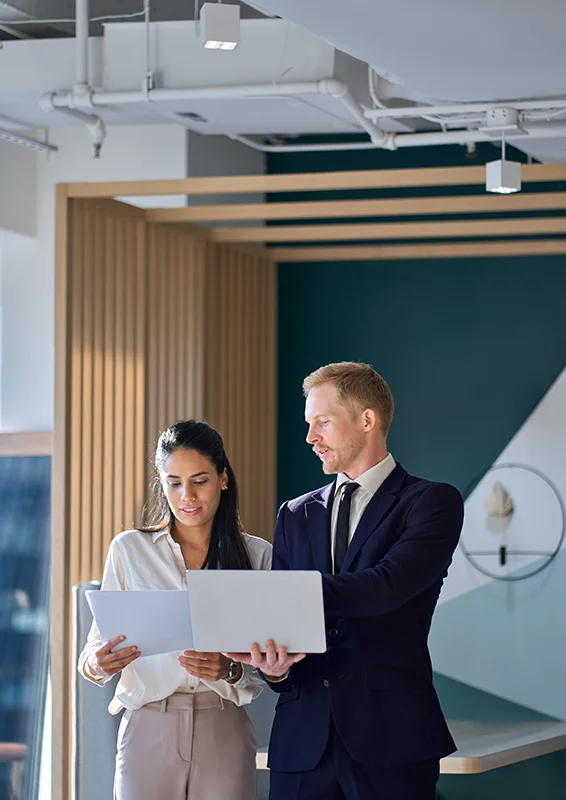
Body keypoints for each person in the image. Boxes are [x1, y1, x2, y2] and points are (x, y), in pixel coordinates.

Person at [230, 362, 464, 800]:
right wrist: (275, 669)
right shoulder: (294, 514)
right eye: (308, 424)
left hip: (391, 742)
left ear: (367, 419)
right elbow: (283, 631)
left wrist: (283, 595)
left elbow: (386, 586)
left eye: (322, 422)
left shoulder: (431, 503)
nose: (310, 437)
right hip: (301, 747)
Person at [78, 420, 272, 800]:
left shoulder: (257, 555)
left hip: (224, 727)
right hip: (148, 725)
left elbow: (267, 664)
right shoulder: (129, 550)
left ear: (223, 479)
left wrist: (229, 669)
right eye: (174, 483)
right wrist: (98, 664)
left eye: (199, 480)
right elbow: (92, 651)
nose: (188, 495)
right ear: (162, 484)